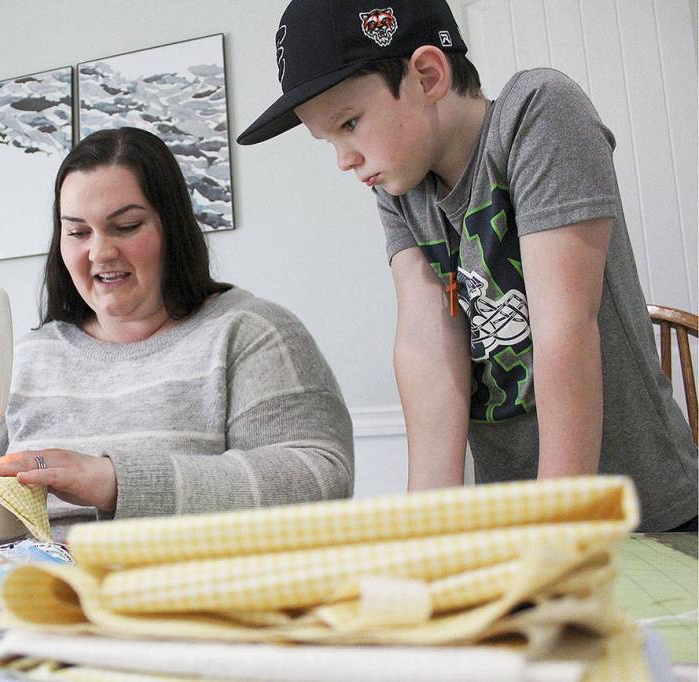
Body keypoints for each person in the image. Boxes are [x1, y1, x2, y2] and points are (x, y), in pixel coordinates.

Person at [236, 0, 697, 531]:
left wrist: (556, 530)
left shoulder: (538, 111)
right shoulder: (402, 189)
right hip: (510, 520)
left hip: (641, 514)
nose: (344, 159)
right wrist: (426, 532)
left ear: (428, 76)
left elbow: (565, 330)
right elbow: (426, 350)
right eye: (329, 140)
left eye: (350, 123)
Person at [0, 127, 354, 538]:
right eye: (78, 232)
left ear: (172, 228)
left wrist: (114, 480)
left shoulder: (252, 334)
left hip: (179, 604)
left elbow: (319, 478)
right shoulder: (28, 359)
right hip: (25, 597)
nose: (100, 252)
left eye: (126, 226)